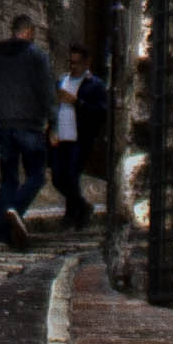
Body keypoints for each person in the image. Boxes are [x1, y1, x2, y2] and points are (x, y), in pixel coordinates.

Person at [0, 12, 57, 251]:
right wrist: (54, 124)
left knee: (8, 179)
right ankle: (15, 210)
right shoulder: (37, 56)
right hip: (30, 127)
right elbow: (48, 92)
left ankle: (3, 235)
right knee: (37, 175)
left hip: (3, 128)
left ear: (13, 31)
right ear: (29, 33)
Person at [53, 41, 112, 231]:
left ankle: (71, 215)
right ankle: (83, 207)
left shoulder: (95, 85)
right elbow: (53, 106)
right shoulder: (62, 81)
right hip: (61, 135)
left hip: (81, 137)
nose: (73, 66)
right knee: (57, 177)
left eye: (77, 62)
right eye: (71, 62)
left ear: (87, 63)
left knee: (71, 175)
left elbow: (101, 113)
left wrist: (77, 102)